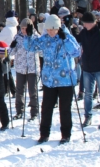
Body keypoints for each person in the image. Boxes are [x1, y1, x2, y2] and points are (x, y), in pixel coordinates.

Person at [22, 15, 81, 144]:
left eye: (53, 29)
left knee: (64, 109)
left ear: (58, 28)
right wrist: (29, 36)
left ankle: (66, 134)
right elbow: (30, 47)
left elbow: (76, 52)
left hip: (65, 80)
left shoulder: (66, 37)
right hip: (49, 80)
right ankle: (44, 134)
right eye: (48, 30)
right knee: (46, 108)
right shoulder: (45, 39)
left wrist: (66, 38)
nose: (50, 32)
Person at [75, 11, 100, 129]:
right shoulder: (84, 32)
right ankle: (88, 116)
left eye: (85, 23)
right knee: (88, 94)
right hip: (87, 67)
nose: (84, 25)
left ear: (92, 23)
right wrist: (72, 30)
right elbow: (77, 39)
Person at [11, 19, 40, 121]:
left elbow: (40, 50)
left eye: (25, 28)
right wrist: (12, 47)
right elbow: (11, 53)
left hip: (32, 68)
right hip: (20, 68)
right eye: (21, 28)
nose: (23, 30)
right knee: (19, 91)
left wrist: (31, 38)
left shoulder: (36, 37)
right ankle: (19, 111)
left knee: (33, 91)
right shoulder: (17, 37)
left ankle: (34, 112)